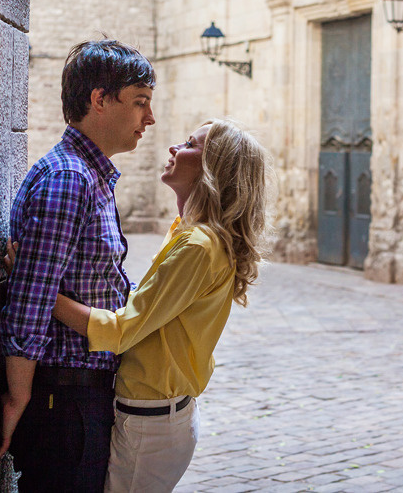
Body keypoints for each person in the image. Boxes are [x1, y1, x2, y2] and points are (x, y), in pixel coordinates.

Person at [51, 118, 271, 493]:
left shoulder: (198, 246)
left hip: (151, 423)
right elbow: (151, 308)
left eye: (190, 144)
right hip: (154, 416)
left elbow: (121, 331)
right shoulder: (186, 232)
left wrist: (43, 291)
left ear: (212, 170)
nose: (174, 148)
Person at [0, 39, 156, 493]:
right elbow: (30, 298)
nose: (149, 118)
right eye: (140, 102)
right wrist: (17, 396)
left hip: (81, 395)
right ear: (99, 100)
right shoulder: (70, 179)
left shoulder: (90, 175)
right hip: (63, 402)